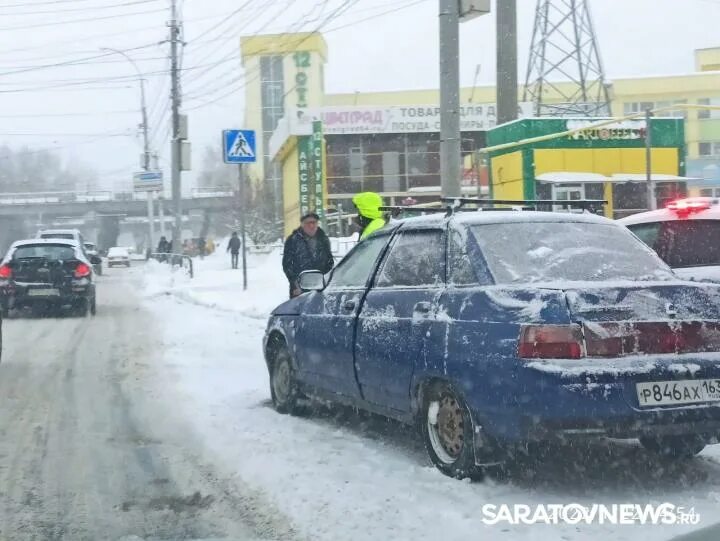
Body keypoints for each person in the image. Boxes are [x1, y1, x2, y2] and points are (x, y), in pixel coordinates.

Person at [282, 212, 334, 298]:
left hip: (320, 286)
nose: (311, 226)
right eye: (308, 223)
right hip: (300, 287)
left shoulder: (323, 239)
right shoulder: (293, 240)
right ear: (302, 224)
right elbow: (287, 265)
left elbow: (330, 261)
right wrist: (294, 284)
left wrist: (324, 280)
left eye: (314, 222)